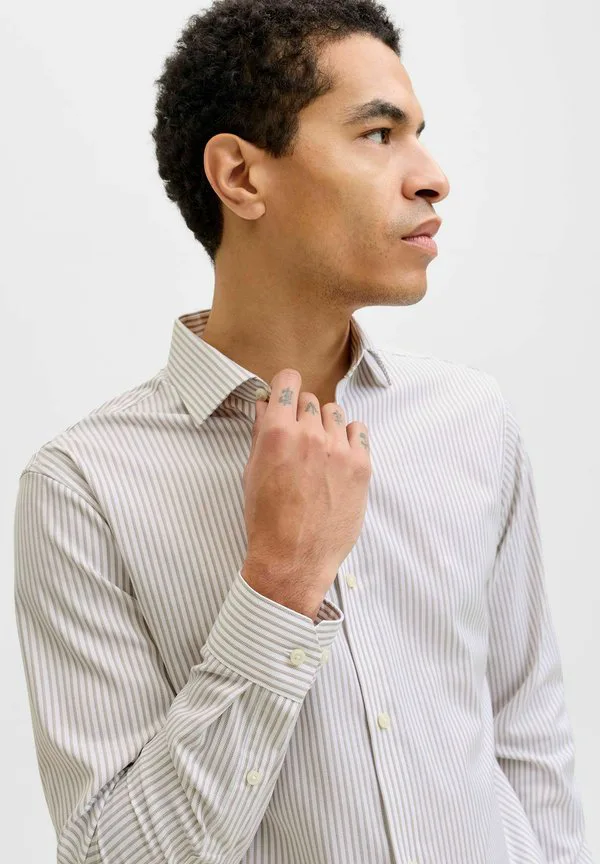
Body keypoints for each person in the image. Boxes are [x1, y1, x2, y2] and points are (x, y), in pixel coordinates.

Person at [13, 1, 593, 862]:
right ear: (241, 176)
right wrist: (279, 586)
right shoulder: (83, 488)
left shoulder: (472, 422)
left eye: (419, 135)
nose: (432, 178)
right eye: (378, 134)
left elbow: (529, 744)